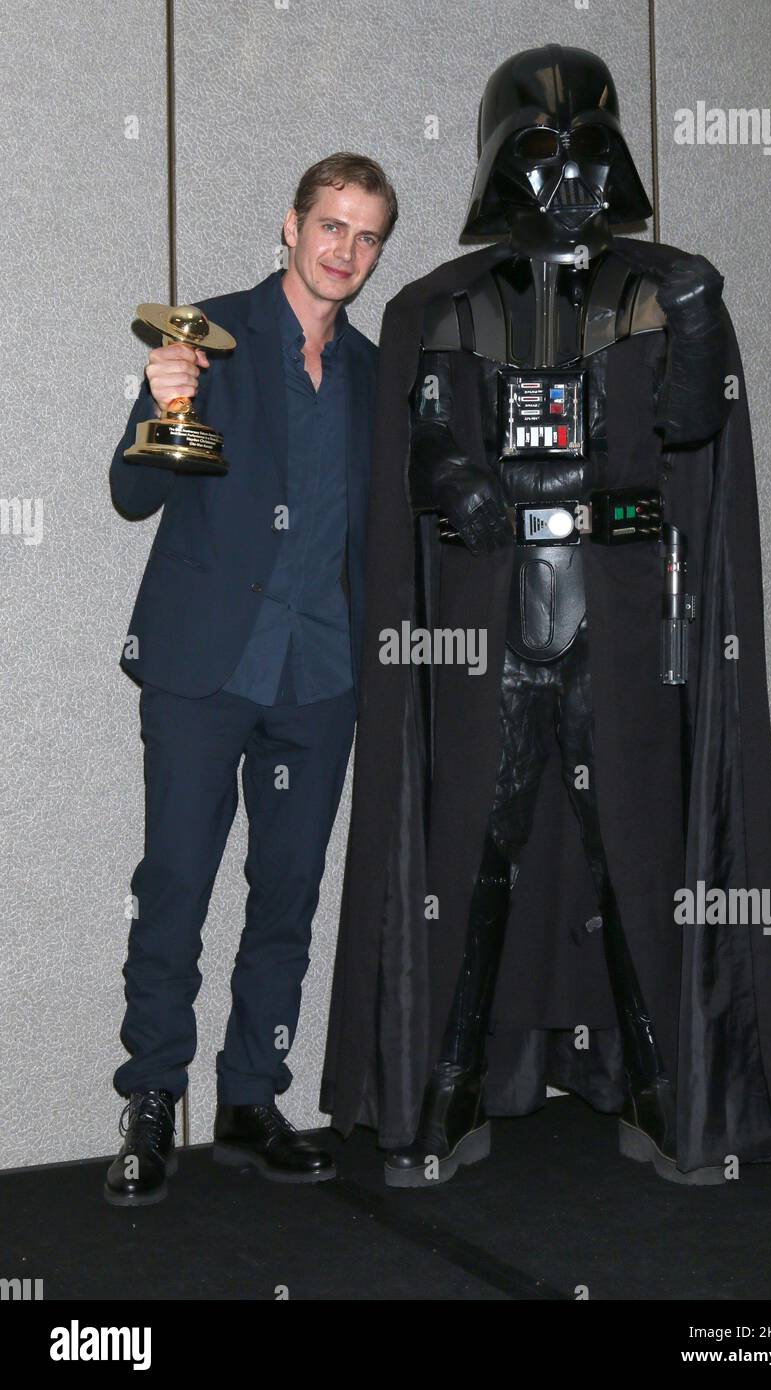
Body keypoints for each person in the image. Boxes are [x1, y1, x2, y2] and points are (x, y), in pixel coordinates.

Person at [320, 48, 771, 1187]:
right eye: (540, 157)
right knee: (476, 855)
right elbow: (425, 441)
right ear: (501, 168)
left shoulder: (659, 289)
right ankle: (442, 1091)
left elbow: (690, 436)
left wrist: (688, 323)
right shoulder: (441, 306)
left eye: (589, 154)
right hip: (493, 631)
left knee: (629, 855)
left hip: (622, 632)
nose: (569, 182)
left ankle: (658, 1085)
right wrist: (456, 482)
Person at [105, 153, 397, 1206]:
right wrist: (158, 399)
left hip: (318, 676)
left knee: (288, 895)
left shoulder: (371, 376)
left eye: (364, 236)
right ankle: (150, 1103)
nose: (343, 250)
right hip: (203, 668)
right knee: (176, 887)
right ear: (290, 225)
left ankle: (247, 1099)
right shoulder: (206, 335)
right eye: (329, 225)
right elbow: (131, 494)